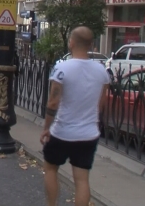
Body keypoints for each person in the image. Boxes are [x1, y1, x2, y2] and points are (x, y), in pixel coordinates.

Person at [40, 27, 110, 206]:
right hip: (88, 134)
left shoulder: (62, 68)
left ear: (71, 43)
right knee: (81, 180)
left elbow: (53, 103)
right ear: (91, 45)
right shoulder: (101, 71)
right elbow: (101, 104)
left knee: (50, 168)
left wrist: (47, 128)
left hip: (62, 132)